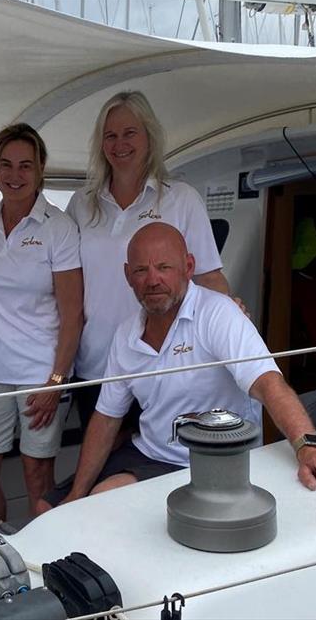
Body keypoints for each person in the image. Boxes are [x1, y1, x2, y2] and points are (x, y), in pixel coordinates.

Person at [39, 223, 316, 511]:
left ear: (188, 267)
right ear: (127, 275)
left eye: (164, 267)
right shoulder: (125, 335)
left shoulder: (218, 314)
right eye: (140, 270)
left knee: (102, 501)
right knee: (47, 509)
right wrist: (73, 498)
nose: (152, 280)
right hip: (148, 452)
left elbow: (269, 385)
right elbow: (106, 420)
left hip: (211, 460)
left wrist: (308, 447)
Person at [66, 91, 232, 434]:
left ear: (149, 136)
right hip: (96, 363)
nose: (119, 143)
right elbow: (65, 284)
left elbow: (209, 278)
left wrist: (232, 324)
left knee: (162, 468)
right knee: (104, 474)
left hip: (165, 363)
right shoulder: (81, 204)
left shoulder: (181, 199)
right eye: (110, 135)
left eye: (130, 133)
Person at [0, 124, 83, 524]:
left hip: (39, 372)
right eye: (6, 165)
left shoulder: (59, 228)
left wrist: (56, 381)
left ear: (41, 168)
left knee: (37, 478)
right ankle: (2, 547)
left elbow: (73, 316)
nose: (15, 175)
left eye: (25, 166)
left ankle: (43, 563)